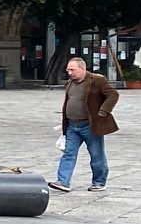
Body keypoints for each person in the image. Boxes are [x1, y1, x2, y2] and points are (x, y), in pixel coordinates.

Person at [50, 55, 119, 194]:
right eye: (68, 70)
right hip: (71, 126)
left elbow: (113, 94)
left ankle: (99, 182)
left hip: (89, 126)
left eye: (72, 70)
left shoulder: (97, 80)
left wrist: (104, 111)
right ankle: (63, 181)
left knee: (96, 154)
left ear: (82, 68)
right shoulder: (70, 83)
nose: (69, 72)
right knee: (68, 154)